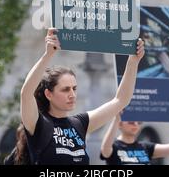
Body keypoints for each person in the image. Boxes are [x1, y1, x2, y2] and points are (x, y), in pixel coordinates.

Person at [18, 28, 145, 165]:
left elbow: (121, 100)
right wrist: (48, 54)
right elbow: (26, 93)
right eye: (65, 90)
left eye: (74, 89)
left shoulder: (79, 123)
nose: (72, 95)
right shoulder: (38, 124)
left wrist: (133, 61)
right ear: (48, 94)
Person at [100, 97, 169, 165]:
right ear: (120, 124)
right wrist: (116, 119)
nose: (135, 124)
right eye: (131, 121)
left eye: (139, 122)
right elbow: (105, 149)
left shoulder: (145, 147)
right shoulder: (114, 146)